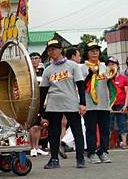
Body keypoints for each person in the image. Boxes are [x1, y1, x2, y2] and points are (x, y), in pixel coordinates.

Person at [39, 39, 86, 169]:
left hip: (71, 102)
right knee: (54, 132)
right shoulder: (47, 70)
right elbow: (43, 91)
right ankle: (54, 159)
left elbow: (80, 85)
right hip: (53, 104)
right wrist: (41, 110)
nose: (51, 52)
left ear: (60, 50)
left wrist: (82, 103)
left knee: (77, 131)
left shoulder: (73, 66)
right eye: (49, 50)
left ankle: (80, 159)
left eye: (54, 49)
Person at [81, 41, 112, 164]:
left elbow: (111, 84)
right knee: (91, 130)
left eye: (97, 50)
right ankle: (91, 152)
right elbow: (81, 84)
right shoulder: (82, 67)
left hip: (104, 103)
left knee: (105, 129)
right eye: (92, 51)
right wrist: (89, 75)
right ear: (87, 53)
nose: (95, 53)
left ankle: (103, 151)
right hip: (90, 104)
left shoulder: (105, 66)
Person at [29, 51, 49, 157]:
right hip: (31, 102)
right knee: (33, 125)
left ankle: (37, 147)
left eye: (36, 58)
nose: (34, 61)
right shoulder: (28, 73)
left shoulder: (43, 72)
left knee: (40, 125)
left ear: (40, 60)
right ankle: (32, 148)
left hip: (42, 102)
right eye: (32, 59)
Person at [106, 57, 128, 148]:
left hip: (121, 103)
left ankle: (124, 143)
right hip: (110, 104)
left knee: (122, 123)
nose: (111, 66)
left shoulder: (124, 78)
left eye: (113, 64)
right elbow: (106, 93)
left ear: (117, 66)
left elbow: (127, 93)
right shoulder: (106, 79)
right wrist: (108, 105)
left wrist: (126, 105)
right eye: (109, 65)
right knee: (108, 124)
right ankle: (106, 144)